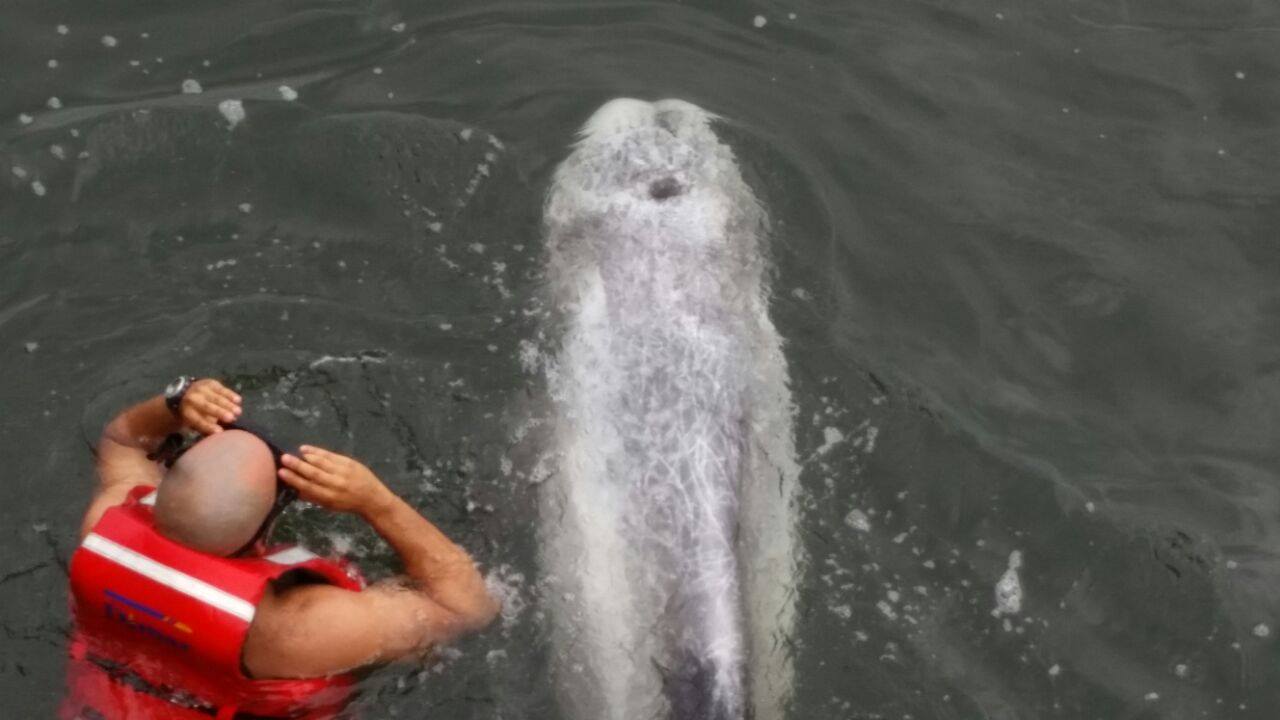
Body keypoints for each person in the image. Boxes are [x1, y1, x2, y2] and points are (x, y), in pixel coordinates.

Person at [62, 377, 499, 720]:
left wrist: (175, 404)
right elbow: (470, 608)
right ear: (264, 530)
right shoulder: (298, 628)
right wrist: (377, 503)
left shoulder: (103, 525)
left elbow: (122, 442)